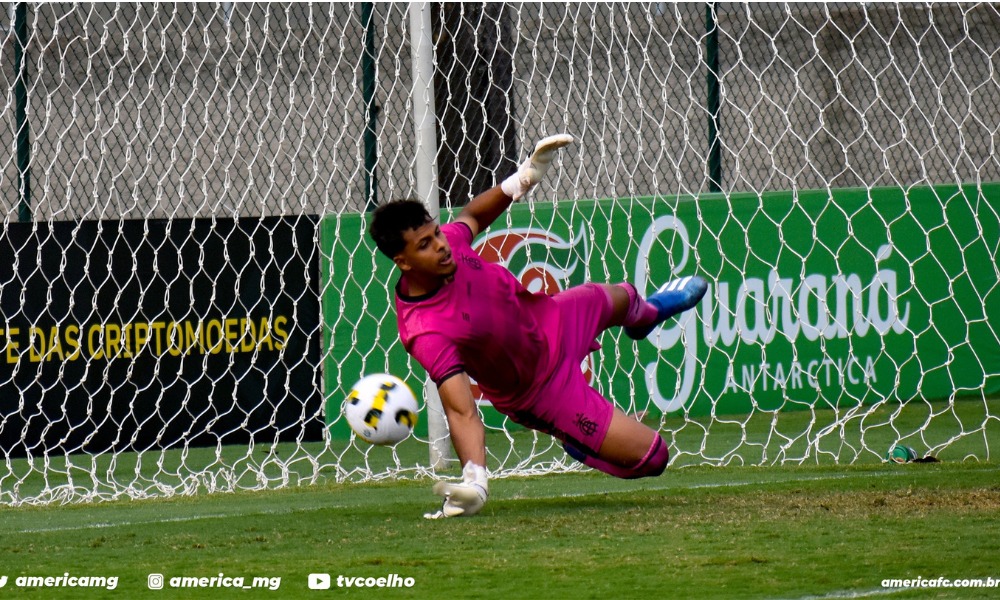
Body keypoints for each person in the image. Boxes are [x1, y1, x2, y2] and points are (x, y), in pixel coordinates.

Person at [369, 134, 707, 519]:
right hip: (541, 390)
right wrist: (475, 478)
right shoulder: (425, 330)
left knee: (624, 298)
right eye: (425, 245)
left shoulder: (452, 246)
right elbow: (461, 411)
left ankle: (648, 316)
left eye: (436, 234)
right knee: (653, 457)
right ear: (403, 261)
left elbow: (472, 217)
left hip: (553, 318)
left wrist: (520, 179)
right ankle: (578, 442)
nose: (442, 245)